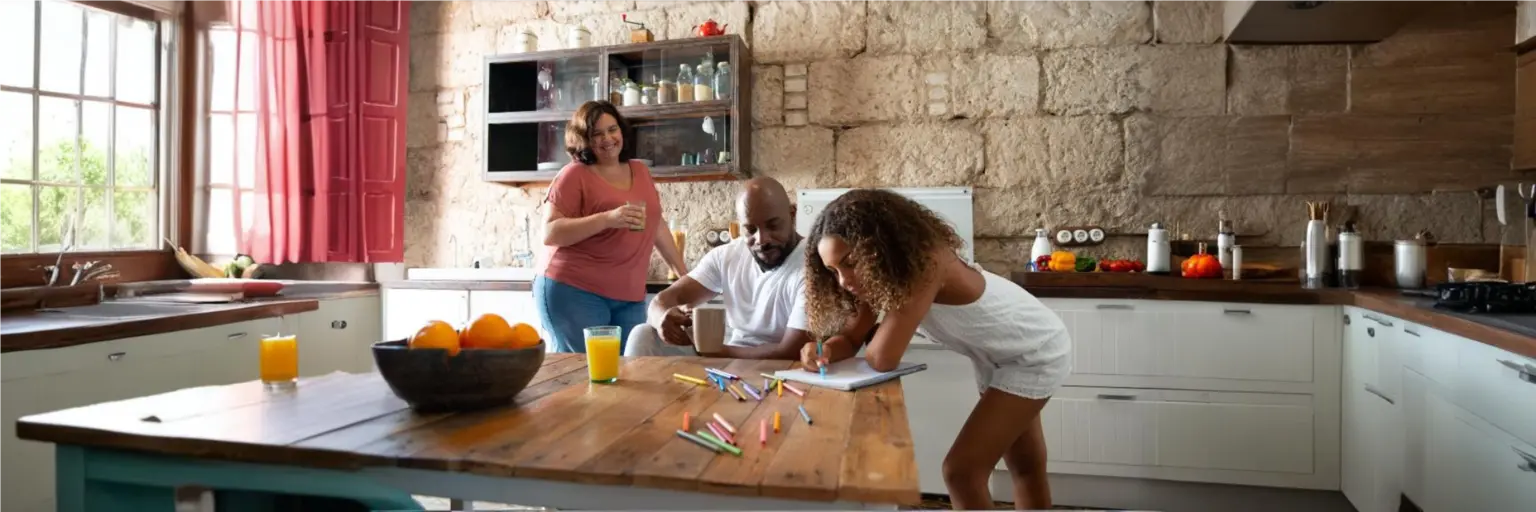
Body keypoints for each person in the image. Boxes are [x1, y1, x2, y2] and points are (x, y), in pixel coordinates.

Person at [798, 188, 1072, 510]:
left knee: (960, 472)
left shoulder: (925, 264)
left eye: (851, 263)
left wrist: (870, 328)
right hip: (998, 357)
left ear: (879, 247)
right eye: (833, 271)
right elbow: (850, 338)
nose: (844, 280)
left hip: (1034, 351)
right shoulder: (876, 275)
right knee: (1024, 464)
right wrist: (825, 349)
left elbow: (882, 358)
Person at [535, 101, 687, 354]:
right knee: (582, 375)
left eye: (612, 129)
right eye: (597, 133)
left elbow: (656, 223)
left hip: (629, 296)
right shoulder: (574, 175)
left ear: (622, 132)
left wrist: (684, 277)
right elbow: (550, 233)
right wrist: (607, 219)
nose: (607, 139)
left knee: (627, 376)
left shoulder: (639, 170)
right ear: (584, 139)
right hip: (574, 290)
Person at [626, 177, 813, 359]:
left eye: (773, 226)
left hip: (780, 369)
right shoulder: (726, 256)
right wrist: (662, 319)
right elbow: (664, 299)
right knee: (643, 335)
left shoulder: (814, 266)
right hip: (727, 359)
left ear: (792, 214)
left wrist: (717, 352)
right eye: (750, 229)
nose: (761, 239)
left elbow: (790, 350)